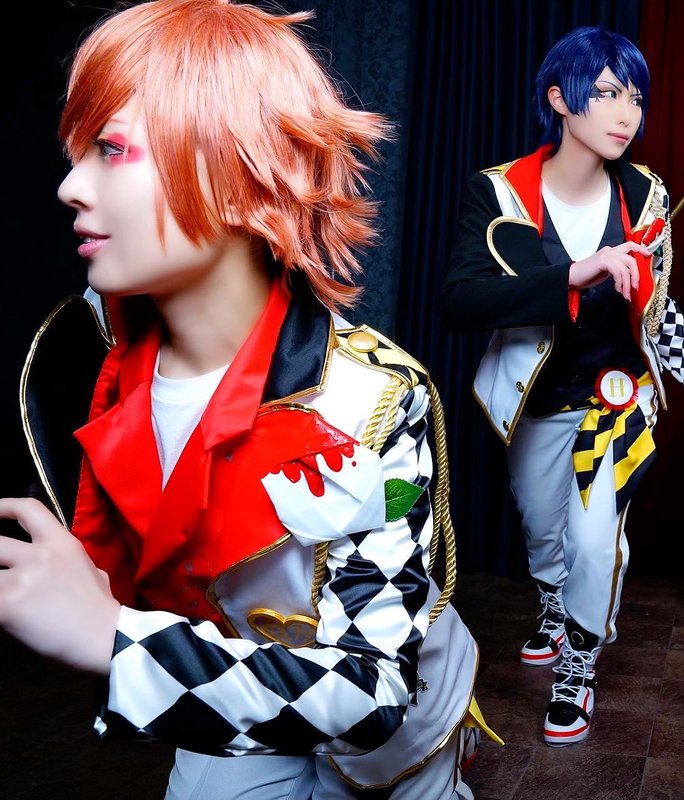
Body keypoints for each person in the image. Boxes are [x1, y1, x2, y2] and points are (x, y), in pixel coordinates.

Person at [1, 2, 493, 797]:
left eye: (112, 151)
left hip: (394, 734)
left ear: (237, 180)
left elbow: (373, 692)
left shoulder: (373, 398)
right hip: (225, 681)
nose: (69, 187)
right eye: (78, 153)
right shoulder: (91, 359)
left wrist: (112, 640)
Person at [441, 26, 684, 746]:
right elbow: (460, 303)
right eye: (606, 93)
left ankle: (579, 660)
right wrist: (574, 274)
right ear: (559, 98)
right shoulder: (498, 190)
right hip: (535, 400)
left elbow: (655, 310)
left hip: (617, 397)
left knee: (595, 540)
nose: (625, 113)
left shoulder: (647, 194)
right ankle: (553, 603)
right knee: (544, 533)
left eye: (634, 97)